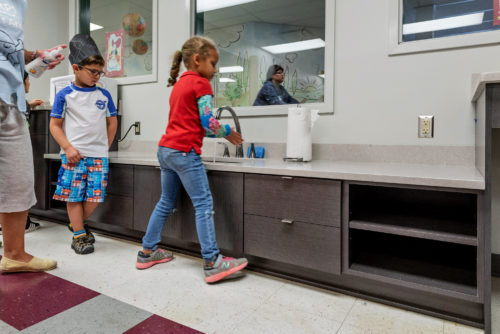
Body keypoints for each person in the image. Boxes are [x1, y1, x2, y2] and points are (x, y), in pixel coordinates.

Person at [136, 36, 248, 284]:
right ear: (197, 60)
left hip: (166, 150)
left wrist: (223, 134)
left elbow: (199, 124)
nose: (216, 71)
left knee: (165, 201)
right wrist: (227, 132)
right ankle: (212, 262)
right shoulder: (201, 84)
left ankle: (147, 252)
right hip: (185, 152)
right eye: (213, 63)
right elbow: (209, 122)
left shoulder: (179, 85)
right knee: (204, 204)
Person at [0, 0, 64, 272]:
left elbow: (8, 46)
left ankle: (15, 253)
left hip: (10, 97)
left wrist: (32, 57)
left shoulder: (18, 4)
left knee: (18, 178)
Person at [49, 34, 117, 255]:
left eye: (100, 72)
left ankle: (76, 224)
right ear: (76, 68)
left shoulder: (104, 95)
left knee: (95, 196)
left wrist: (104, 147)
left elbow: (112, 121)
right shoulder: (65, 95)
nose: (97, 76)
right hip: (73, 155)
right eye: (92, 72)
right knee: (73, 195)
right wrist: (67, 148)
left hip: (98, 155)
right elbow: (55, 126)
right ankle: (79, 235)